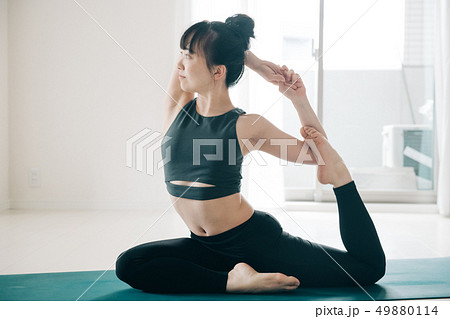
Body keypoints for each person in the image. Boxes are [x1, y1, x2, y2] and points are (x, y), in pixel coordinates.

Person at [115, 14, 386, 294]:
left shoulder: (246, 125)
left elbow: (319, 153)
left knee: (367, 269)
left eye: (190, 57)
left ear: (218, 71)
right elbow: (220, 43)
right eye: (182, 54)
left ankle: (342, 180)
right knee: (129, 264)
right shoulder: (176, 108)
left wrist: (297, 99)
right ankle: (233, 281)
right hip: (203, 245)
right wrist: (253, 62)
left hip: (254, 244)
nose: (180, 64)